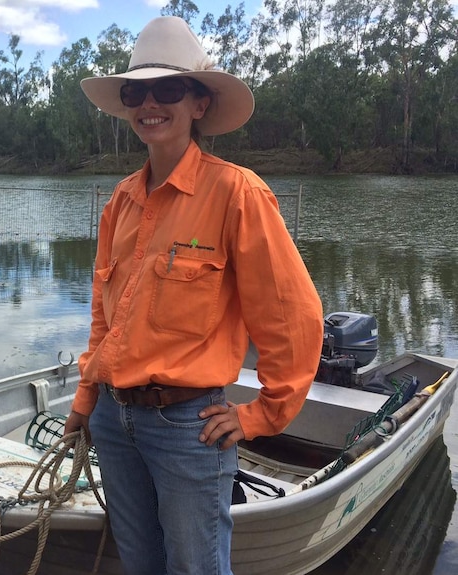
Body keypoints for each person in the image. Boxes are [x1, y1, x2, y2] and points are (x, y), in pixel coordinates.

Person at [63, 16, 324, 575]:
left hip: (188, 427)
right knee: (141, 565)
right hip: (114, 419)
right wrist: (86, 400)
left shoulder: (237, 194)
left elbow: (293, 316)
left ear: (200, 104)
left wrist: (263, 414)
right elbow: (103, 316)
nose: (150, 103)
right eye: (137, 90)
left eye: (170, 88)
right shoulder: (121, 202)